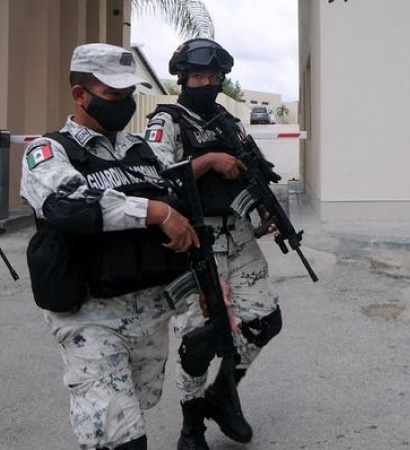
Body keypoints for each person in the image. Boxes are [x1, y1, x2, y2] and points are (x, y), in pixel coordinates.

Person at [20, 43, 201, 450]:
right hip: (90, 316)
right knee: (121, 438)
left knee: (139, 404)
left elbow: (182, 215)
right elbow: (68, 205)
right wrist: (154, 211)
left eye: (127, 95)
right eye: (112, 95)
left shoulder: (143, 151)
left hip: (151, 311)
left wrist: (206, 285)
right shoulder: (49, 152)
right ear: (80, 95)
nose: (123, 104)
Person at [144, 38, 283, 449]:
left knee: (265, 319)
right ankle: (192, 428)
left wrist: (266, 208)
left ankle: (223, 392)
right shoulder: (166, 121)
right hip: (194, 237)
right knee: (199, 339)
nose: (205, 82)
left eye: (212, 77)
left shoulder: (228, 120)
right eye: (197, 76)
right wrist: (205, 162)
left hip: (238, 234)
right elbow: (151, 176)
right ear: (183, 78)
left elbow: (252, 168)